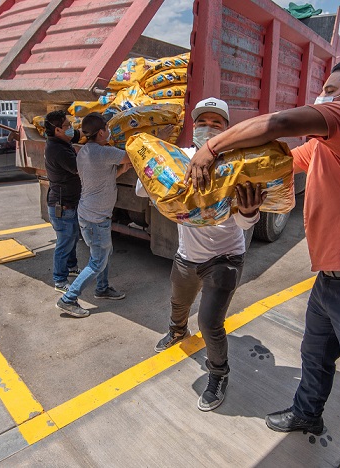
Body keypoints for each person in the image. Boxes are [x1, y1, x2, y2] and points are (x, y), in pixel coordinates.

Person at [184, 62, 340, 467]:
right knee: (315, 356)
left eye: (329, 88)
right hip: (332, 279)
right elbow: (277, 161)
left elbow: (280, 122)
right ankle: (307, 412)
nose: (321, 96)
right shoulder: (327, 147)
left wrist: (210, 148)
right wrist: (237, 192)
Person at [136, 97, 266, 411]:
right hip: (186, 255)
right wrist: (162, 181)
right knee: (179, 302)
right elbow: (145, 190)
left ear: (227, 129)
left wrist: (249, 212)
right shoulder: (180, 157)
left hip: (225, 258)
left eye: (216, 122)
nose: (207, 127)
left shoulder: (237, 165)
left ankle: (218, 374)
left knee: (210, 322)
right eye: (202, 122)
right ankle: (177, 331)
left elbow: (245, 220)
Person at [56, 112, 131, 318]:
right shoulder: (104, 153)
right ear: (100, 132)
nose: (109, 132)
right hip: (97, 218)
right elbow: (132, 154)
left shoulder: (84, 152)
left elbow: (100, 177)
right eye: (107, 129)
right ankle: (68, 298)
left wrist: (121, 171)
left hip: (88, 214)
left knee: (103, 254)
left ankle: (102, 288)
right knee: (98, 261)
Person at [44, 110, 81, 293]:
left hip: (68, 203)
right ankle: (59, 280)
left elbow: (78, 136)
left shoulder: (60, 143)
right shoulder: (58, 150)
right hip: (62, 205)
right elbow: (77, 168)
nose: (71, 129)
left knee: (72, 237)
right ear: (58, 130)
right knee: (64, 242)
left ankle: (72, 267)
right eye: (67, 126)